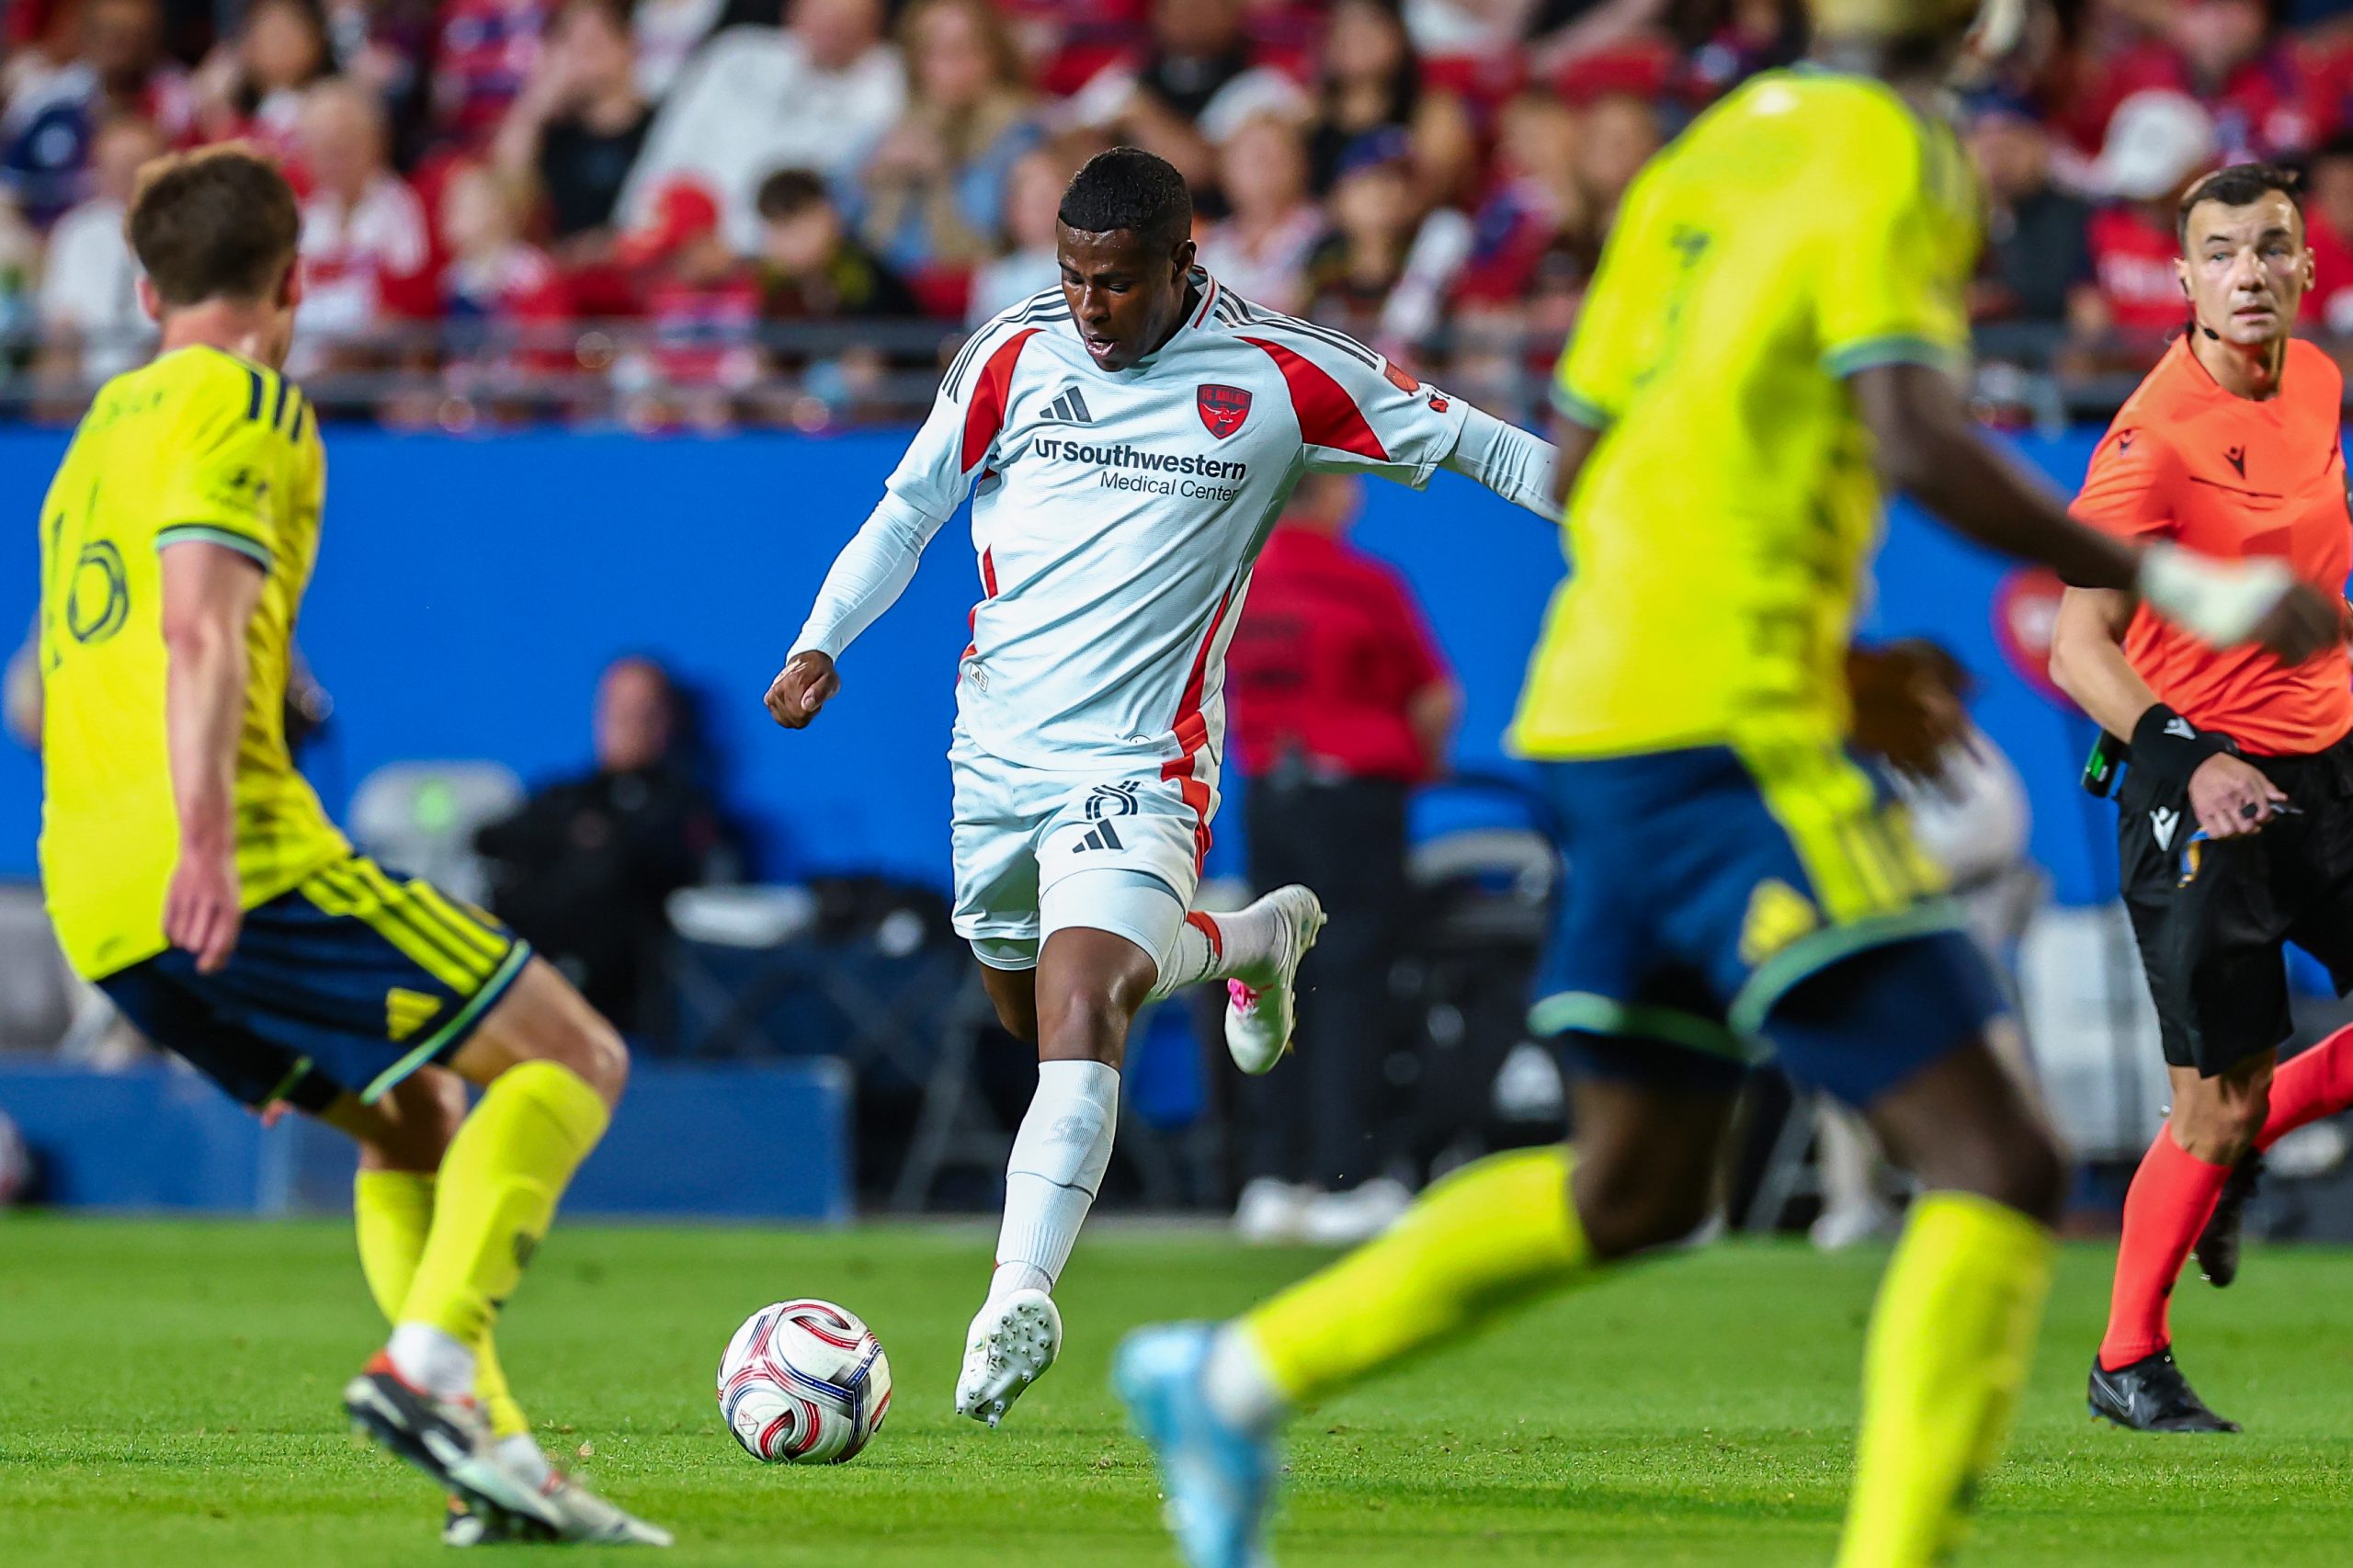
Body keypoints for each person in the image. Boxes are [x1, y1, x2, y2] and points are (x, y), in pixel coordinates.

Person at [1108, 0, 2343, 1561]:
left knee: (1636, 1184)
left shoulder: (1699, 160)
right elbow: (1909, 429)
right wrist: (2192, 592)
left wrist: (1811, 655)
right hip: (1722, 720)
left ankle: (1232, 1374)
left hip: (1606, 701)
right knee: (1999, 1158)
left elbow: (1578, 451)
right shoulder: (1902, 147)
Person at [765, 144, 1560, 1429]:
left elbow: (1489, 451)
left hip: (1144, 760)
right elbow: (909, 508)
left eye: (1120, 283)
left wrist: (1646, 519)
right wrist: (819, 641)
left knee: (1086, 1011)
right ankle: (1250, 939)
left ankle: (1011, 1300)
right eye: (1075, 277)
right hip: (997, 759)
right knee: (1031, 1014)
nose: (1092, 307)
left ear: (1185, 266)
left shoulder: (1285, 373)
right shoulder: (1012, 355)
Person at [33, 144, 665, 1546]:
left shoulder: (93, 442)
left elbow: (40, 683)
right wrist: (208, 836)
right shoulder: (248, 396)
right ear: (297, 282)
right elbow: (196, 622)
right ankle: (431, 1363)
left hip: (95, 896)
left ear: (142, 290)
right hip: (235, 863)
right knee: (579, 1056)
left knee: (415, 1116)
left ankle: (483, 1462)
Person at [2052, 162, 2353, 1435]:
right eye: (2221, 253)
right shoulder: (2152, 440)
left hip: (2331, 764)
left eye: (2269, 250)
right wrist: (2191, 757)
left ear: (2304, 268)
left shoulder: (2323, 381)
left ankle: (2238, 1141)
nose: (2248, 273)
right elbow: (2078, 647)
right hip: (2202, 791)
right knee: (2209, 1103)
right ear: (2181, 280)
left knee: (2230, 1113)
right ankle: (2130, 1358)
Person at [1222, 472, 1458, 1245]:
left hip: (1270, 797)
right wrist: (1420, 766)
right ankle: (1344, 1177)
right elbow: (1435, 700)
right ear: (1325, 495)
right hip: (1353, 799)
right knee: (1354, 978)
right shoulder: (1362, 583)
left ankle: (1272, 1176)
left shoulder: (1238, 581)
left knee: (1271, 975)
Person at [476, 656, 737, 1034]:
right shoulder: (562, 797)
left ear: (667, 719)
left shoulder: (685, 809)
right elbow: (491, 839)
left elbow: (634, 861)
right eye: (616, 710)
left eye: (642, 711)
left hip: (631, 1014)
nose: (627, 725)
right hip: (528, 997)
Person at [619, 0, 906, 252]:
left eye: (849, 15)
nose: (833, 24)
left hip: (783, 268)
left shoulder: (892, 89)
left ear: (876, 23)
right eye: (823, 8)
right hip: (675, 251)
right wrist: (634, 230)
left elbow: (834, 198)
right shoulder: (735, 56)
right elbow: (667, 157)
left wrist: (737, 251)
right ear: (793, 9)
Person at [854, 0, 1043, 276]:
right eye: (933, 51)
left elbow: (993, 232)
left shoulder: (1020, 131)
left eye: (964, 49)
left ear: (995, 54)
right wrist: (874, 173)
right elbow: (842, 220)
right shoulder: (899, 125)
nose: (951, 65)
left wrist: (941, 173)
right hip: (892, 296)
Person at [489, 0, 654, 250]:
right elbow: (502, 194)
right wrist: (536, 104)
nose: (580, 56)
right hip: (558, 278)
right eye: (568, 42)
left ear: (628, 44)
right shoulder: (551, 137)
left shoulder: (661, 128)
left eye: (593, 42)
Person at [35, 114, 164, 387]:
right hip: (85, 389)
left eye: (137, 163)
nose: (127, 175)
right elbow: (61, 324)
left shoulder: (187, 233)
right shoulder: (75, 232)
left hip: (160, 379)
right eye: (117, 165)